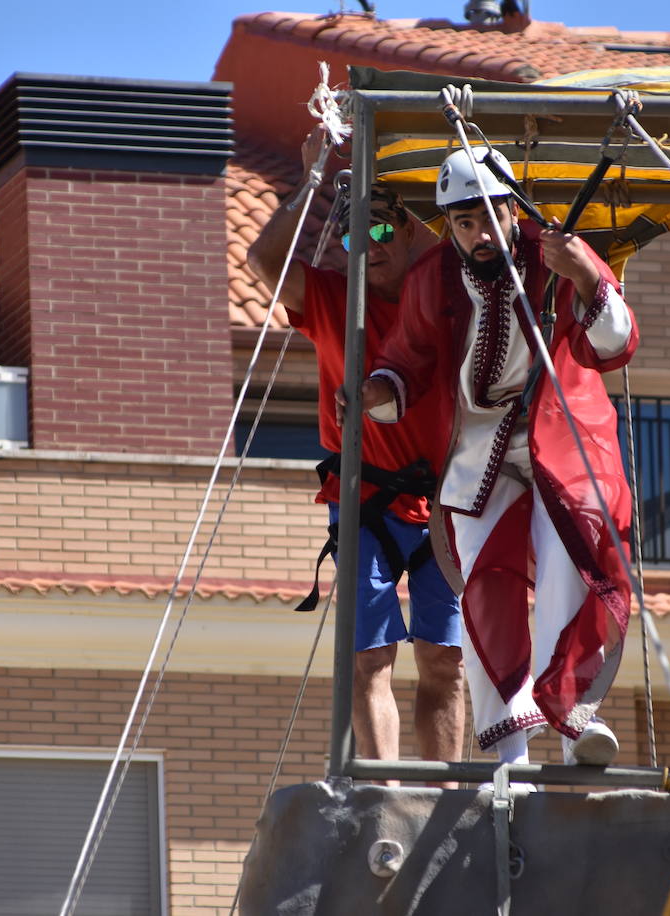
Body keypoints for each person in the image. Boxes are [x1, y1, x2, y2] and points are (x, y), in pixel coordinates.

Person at [360, 145, 638, 769]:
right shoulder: (433, 276)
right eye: (464, 223)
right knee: (485, 584)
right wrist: (378, 391)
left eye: (490, 217)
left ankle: (573, 722)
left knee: (573, 559)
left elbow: (615, 345)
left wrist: (587, 276)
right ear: (448, 226)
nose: (480, 234)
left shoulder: (559, 253)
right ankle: (508, 748)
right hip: (475, 452)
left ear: (514, 211)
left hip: (561, 439)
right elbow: (405, 359)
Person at [247, 127, 465, 779]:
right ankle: (386, 786)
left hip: (440, 507)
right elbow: (265, 264)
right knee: (371, 658)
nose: (365, 247)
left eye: (380, 233)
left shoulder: (448, 305)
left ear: (409, 235)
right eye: (353, 237)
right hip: (365, 501)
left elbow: (449, 250)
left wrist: (403, 197)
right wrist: (311, 182)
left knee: (445, 661)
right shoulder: (337, 301)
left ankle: (446, 795)